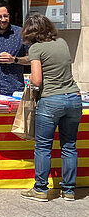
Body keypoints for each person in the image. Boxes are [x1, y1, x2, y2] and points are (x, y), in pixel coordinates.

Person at [21, 13, 80, 202]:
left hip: (51, 100)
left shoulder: (36, 48)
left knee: (43, 147)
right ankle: (69, 191)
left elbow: (37, 80)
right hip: (73, 98)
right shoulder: (62, 42)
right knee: (69, 146)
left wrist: (31, 80)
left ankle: (40, 189)